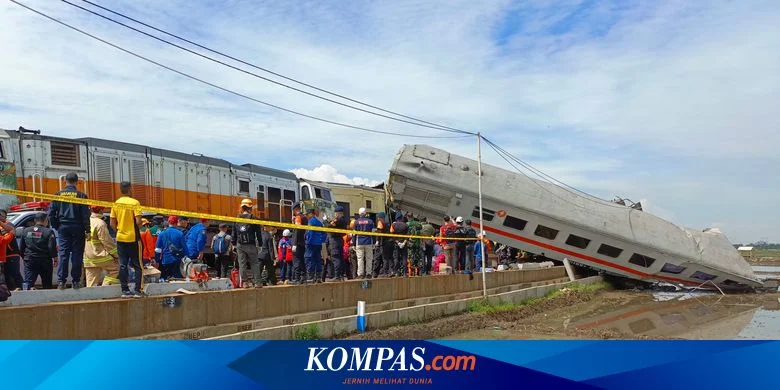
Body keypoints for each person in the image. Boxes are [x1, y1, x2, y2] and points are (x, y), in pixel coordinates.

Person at [48, 172, 90, 290]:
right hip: (78, 228)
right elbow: (85, 215)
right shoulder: (81, 196)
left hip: (63, 227)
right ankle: (76, 281)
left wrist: (57, 226)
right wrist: (88, 230)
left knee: (64, 254)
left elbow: (51, 214)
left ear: (65, 181)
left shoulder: (58, 195)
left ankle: (61, 281)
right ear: (77, 182)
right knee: (77, 255)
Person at [110, 181, 144, 299]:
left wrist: (119, 230)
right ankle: (137, 290)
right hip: (133, 238)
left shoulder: (116, 203)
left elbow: (112, 223)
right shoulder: (135, 202)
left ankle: (125, 290)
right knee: (137, 265)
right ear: (130, 189)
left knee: (122, 265)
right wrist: (134, 228)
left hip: (120, 238)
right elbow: (139, 221)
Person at [83, 205, 119, 287]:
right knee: (116, 270)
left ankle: (92, 298)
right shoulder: (100, 223)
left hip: (88, 258)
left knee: (91, 283)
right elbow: (107, 242)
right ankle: (105, 288)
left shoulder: (86, 222)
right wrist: (116, 255)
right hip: (101, 256)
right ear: (101, 211)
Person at [20, 212, 57, 289]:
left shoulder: (25, 231)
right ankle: (48, 300)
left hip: (30, 260)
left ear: (34, 220)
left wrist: (25, 258)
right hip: (45, 260)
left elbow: (21, 247)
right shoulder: (48, 231)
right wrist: (55, 257)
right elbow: (51, 247)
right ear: (46, 221)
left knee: (28, 282)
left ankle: (25, 298)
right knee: (47, 283)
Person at [234, 199, 262, 288]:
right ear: (250, 208)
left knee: (242, 264)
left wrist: (234, 243)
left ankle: (245, 283)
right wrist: (260, 243)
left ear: (242, 207)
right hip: (251, 244)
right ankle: (257, 282)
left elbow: (234, 233)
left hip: (240, 244)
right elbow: (258, 233)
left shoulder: (237, 218)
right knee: (254, 263)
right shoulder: (254, 218)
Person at [155, 216, 187, 280]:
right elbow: (185, 248)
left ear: (168, 222)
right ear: (176, 222)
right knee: (177, 279)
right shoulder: (180, 233)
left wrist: (157, 260)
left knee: (166, 279)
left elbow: (158, 249)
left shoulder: (162, 233)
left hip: (166, 260)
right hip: (177, 260)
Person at [0, 210, 23, 290]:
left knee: (14, 274)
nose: (1, 217)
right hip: (3, 256)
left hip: (11, 255)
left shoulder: (8, 224)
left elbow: (11, 231)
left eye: (2, 215)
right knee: (5, 276)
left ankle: (20, 289)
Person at [304, 209, 327, 283]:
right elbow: (324, 233)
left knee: (309, 259)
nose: (306, 216)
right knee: (318, 259)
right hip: (318, 244)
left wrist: (307, 241)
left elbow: (309, 233)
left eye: (307, 214)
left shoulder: (311, 222)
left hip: (311, 244)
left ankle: (310, 277)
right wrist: (321, 241)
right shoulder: (319, 222)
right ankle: (318, 277)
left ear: (311, 214)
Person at [326, 206, 348, 282]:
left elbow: (329, 226)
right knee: (340, 258)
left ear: (338, 213)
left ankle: (337, 276)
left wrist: (326, 221)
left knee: (336, 258)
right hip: (340, 240)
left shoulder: (337, 220)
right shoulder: (344, 220)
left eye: (336, 213)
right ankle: (341, 275)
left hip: (334, 240)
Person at [352, 207, 375, 279]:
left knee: (360, 258)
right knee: (369, 258)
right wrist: (374, 242)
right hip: (368, 241)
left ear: (359, 213)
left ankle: (360, 274)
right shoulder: (371, 221)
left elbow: (354, 234)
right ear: (365, 213)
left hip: (359, 241)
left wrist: (353, 243)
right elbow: (373, 233)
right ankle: (368, 273)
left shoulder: (356, 222)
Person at [290, 205, 308, 285]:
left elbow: (297, 230)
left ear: (295, 209)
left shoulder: (298, 217)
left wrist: (294, 243)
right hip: (302, 242)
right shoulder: (304, 217)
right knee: (301, 260)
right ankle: (303, 277)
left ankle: (296, 278)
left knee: (296, 260)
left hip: (297, 243)